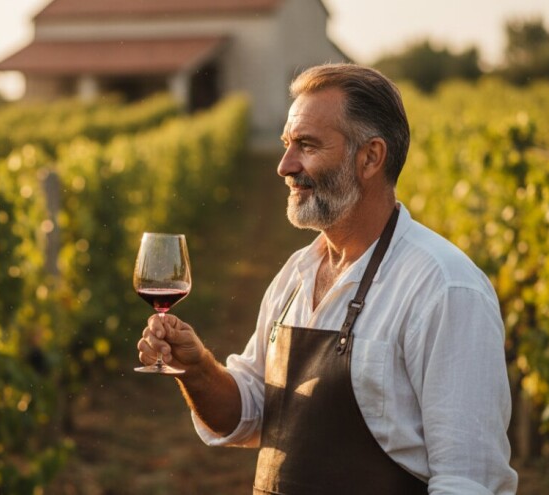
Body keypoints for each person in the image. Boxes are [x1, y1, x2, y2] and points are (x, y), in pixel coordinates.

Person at [136, 63, 518, 494]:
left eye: (307, 145)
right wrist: (195, 368)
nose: (284, 166)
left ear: (370, 157)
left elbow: (467, 480)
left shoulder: (444, 288)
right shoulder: (295, 276)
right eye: (287, 144)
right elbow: (248, 414)